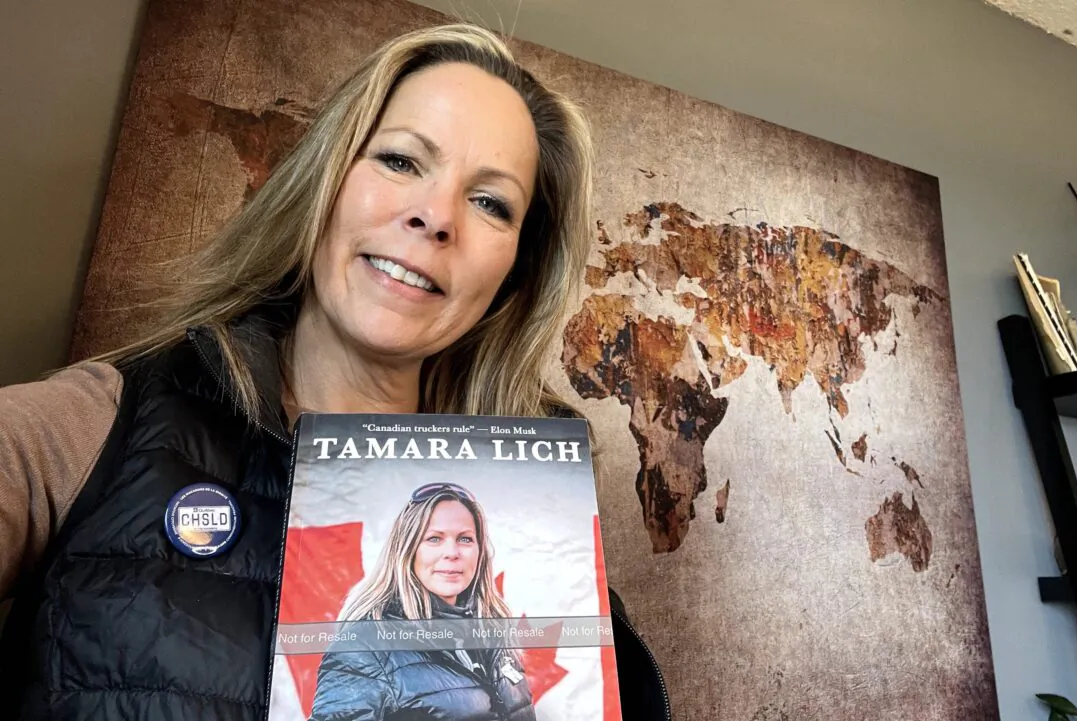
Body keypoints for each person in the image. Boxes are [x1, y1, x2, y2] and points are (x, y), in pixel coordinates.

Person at [0, 24, 669, 721]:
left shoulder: (544, 534)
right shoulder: (107, 420)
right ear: (326, 178)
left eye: (490, 202)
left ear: (511, 276)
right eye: (402, 161)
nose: (436, 215)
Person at [309, 482, 535, 720]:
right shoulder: (365, 647)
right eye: (434, 539)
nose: (452, 552)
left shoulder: (495, 633)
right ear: (407, 550)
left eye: (465, 539)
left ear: (480, 551)